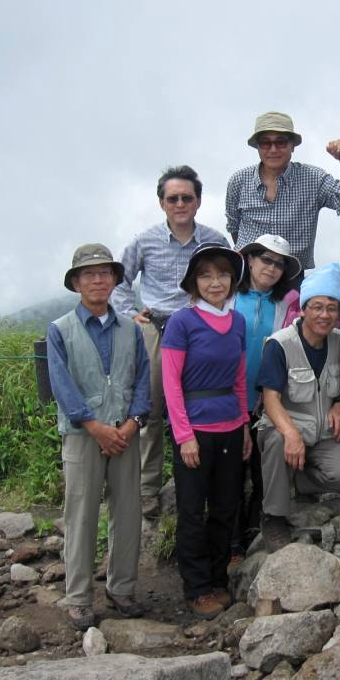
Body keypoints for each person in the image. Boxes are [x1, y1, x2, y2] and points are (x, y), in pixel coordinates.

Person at [113, 165, 231, 519]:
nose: (180, 204)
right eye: (173, 198)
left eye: (187, 197)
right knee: (149, 411)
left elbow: (228, 283)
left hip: (201, 329)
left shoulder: (214, 240)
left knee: (199, 406)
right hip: (156, 329)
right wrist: (127, 312)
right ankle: (148, 490)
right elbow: (121, 279)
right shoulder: (144, 240)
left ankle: (198, 485)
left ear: (198, 201)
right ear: (162, 202)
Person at [46, 244, 151, 630]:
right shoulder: (60, 330)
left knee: (127, 513)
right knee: (81, 514)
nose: (97, 280)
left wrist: (132, 422)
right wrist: (93, 425)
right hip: (82, 436)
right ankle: (78, 598)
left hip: (125, 433)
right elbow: (62, 384)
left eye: (104, 273)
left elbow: (142, 379)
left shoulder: (130, 329)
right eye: (88, 274)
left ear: (114, 279)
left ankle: (121, 589)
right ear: (76, 282)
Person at [161, 243, 250, 619]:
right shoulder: (182, 321)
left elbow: (241, 379)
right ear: (194, 282)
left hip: (231, 425)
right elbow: (170, 382)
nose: (216, 282)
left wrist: (245, 426)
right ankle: (196, 588)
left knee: (226, 507)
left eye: (223, 274)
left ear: (233, 280)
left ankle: (217, 580)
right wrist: (183, 436)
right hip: (195, 429)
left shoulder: (238, 321)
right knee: (193, 511)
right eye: (206, 275)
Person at [255, 262, 340, 551]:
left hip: (321, 436)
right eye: (316, 306)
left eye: (331, 308)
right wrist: (290, 433)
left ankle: (296, 482)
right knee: (277, 440)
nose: (324, 315)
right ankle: (274, 517)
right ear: (303, 309)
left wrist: (339, 404)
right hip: (284, 428)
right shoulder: (280, 344)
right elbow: (270, 398)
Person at [226, 234, 303, 557]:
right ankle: (231, 546)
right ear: (250, 260)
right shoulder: (227, 296)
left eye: (279, 263)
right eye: (266, 260)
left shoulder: (289, 302)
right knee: (230, 474)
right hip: (228, 398)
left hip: (270, 398)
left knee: (262, 471)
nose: (271, 268)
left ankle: (256, 537)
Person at [225, 111, 340, 272]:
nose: (273, 149)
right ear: (258, 147)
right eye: (265, 143)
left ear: (292, 146)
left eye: (281, 142)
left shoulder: (314, 179)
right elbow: (234, 227)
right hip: (248, 277)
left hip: (291, 278)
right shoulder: (238, 181)